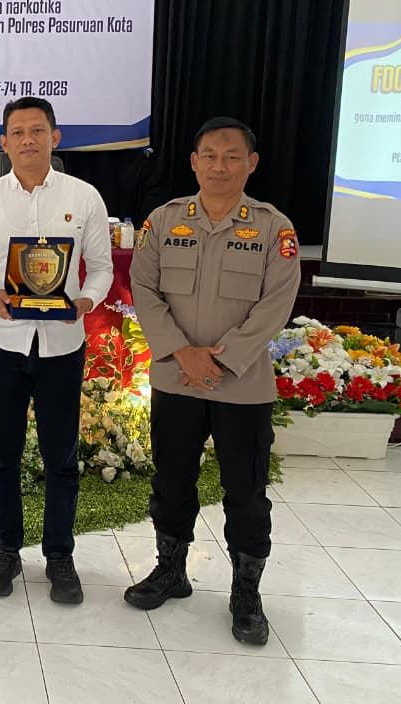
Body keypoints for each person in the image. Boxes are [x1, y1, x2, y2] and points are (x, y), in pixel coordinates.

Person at [126, 116, 300, 646]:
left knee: (245, 492)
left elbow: (276, 304)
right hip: (177, 379)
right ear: (194, 162)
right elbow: (144, 286)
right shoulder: (163, 220)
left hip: (241, 385)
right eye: (209, 155)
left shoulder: (274, 228)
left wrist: (221, 362)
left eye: (231, 156)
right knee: (172, 481)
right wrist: (183, 352)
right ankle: (170, 570)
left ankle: (246, 592)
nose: (219, 165)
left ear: (251, 164)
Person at [0, 97, 113, 603]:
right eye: (17, 132)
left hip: (63, 343)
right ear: (3, 144)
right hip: (3, 340)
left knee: (61, 457)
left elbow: (103, 267)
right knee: (3, 455)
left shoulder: (85, 196)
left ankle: (59, 556)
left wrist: (87, 299)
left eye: (37, 130)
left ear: (55, 137)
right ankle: (6, 552)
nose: (28, 140)